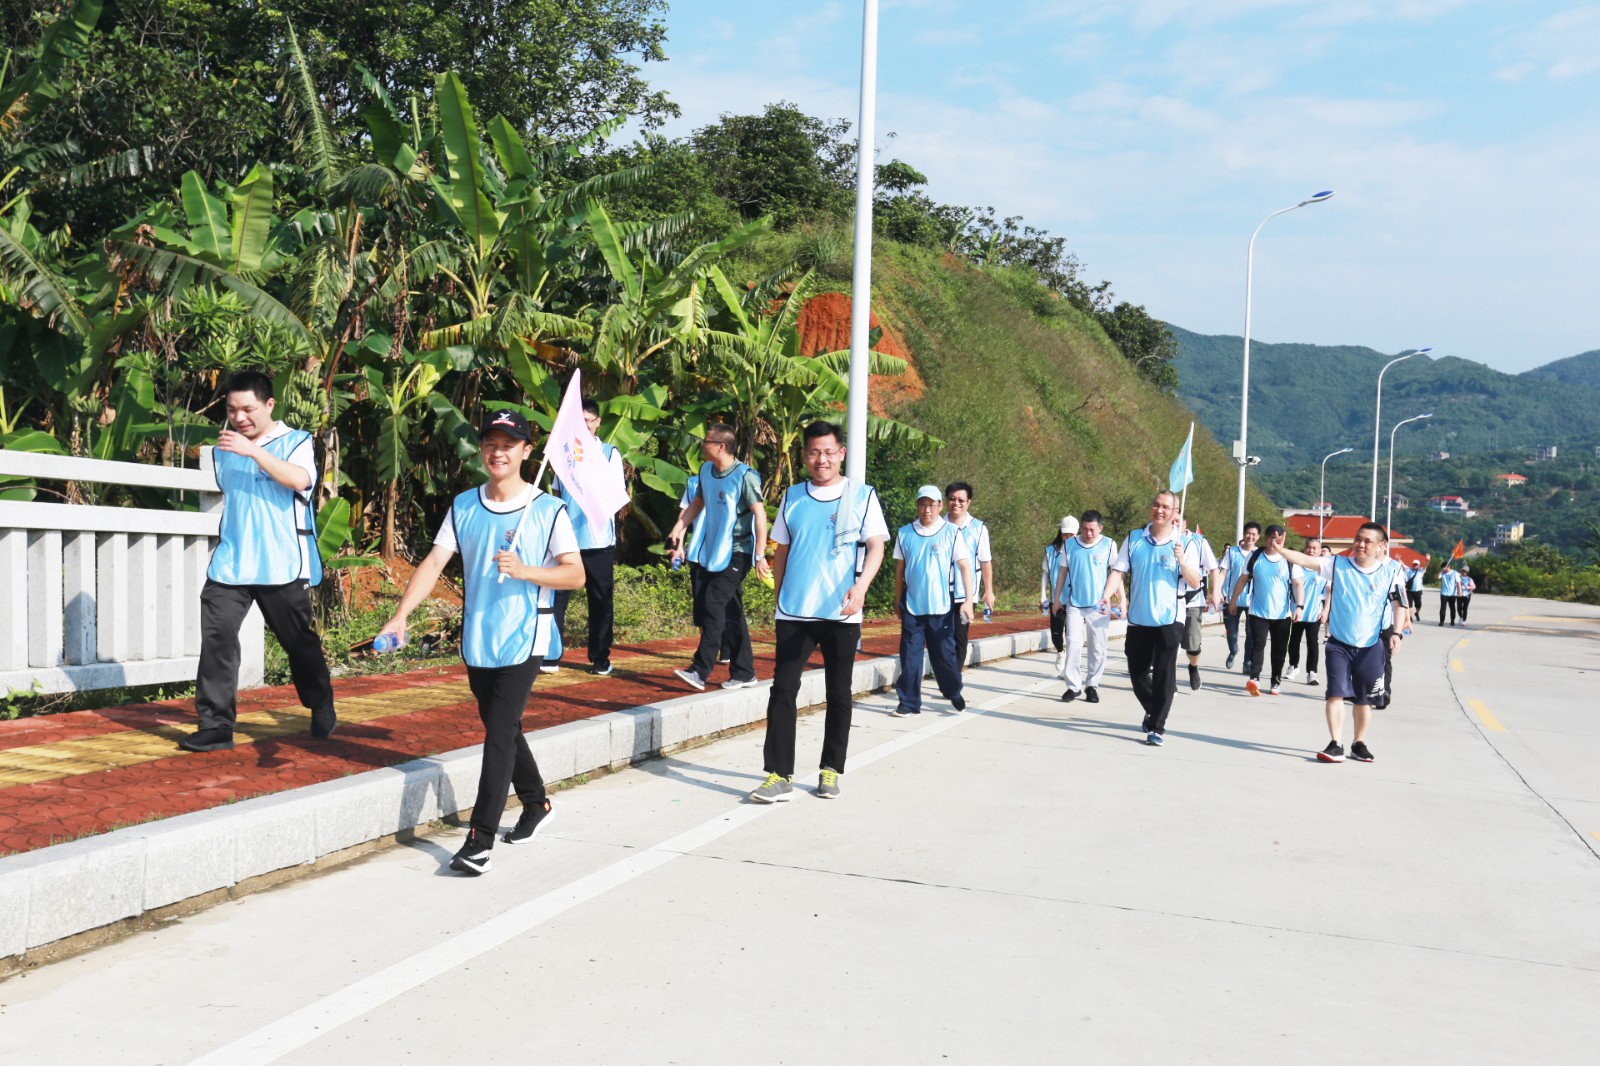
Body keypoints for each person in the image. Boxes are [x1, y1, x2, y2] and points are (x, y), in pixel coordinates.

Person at [377, 410, 584, 874]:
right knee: (503, 727)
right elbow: (433, 563)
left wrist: (527, 569)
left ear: (526, 452)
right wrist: (400, 617)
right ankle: (536, 804)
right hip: (478, 638)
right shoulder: (464, 505)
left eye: (509, 444)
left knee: (496, 733)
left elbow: (575, 574)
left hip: (525, 636)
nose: (498, 452)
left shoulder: (548, 510)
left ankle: (480, 838)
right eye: (491, 442)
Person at [180, 370, 336, 753]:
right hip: (232, 562)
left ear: (269, 405)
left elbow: (301, 481)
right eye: (232, 410)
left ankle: (319, 700)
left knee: (297, 643)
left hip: (281, 562)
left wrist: (253, 451)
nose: (239, 417)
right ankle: (215, 725)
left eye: (248, 409)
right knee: (217, 638)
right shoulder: (222, 450)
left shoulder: (297, 442)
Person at [750, 421, 888, 803]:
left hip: (841, 613)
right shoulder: (794, 496)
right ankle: (778, 773)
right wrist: (778, 598)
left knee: (838, 692)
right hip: (795, 611)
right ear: (805, 455)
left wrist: (861, 588)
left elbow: (876, 546)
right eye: (813, 452)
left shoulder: (861, 496)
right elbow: (782, 551)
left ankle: (830, 770)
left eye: (828, 452)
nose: (821, 459)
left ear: (841, 453)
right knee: (782, 690)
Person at [1273, 523, 1409, 763]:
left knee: (1363, 699)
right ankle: (1336, 744)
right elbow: (1306, 561)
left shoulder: (1392, 572)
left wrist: (1397, 633)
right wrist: (1282, 551)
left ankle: (1359, 743)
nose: (1361, 544)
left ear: (1380, 546)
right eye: (1358, 539)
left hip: (1370, 645)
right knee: (1335, 694)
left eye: (1367, 541)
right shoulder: (1338, 564)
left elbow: (1400, 605)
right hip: (1339, 644)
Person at [667, 423, 770, 691]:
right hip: (711, 551)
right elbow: (697, 503)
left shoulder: (745, 476)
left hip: (738, 552)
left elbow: (760, 514)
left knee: (713, 604)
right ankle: (745, 672)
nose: (702, 444)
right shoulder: (705, 471)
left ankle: (699, 670)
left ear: (721, 446)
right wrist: (678, 528)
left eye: (707, 441)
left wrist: (760, 555)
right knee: (730, 611)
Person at [1101, 491, 1202, 746]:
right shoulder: (1135, 538)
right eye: (1156, 505)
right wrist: (1106, 595)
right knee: (1137, 672)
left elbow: (1195, 581)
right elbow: (1118, 571)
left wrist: (1181, 561)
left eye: (1166, 507)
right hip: (1139, 618)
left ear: (1175, 513)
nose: (1160, 510)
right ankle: (1154, 708)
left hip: (1170, 618)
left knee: (1164, 675)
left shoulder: (1185, 544)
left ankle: (1157, 726)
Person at [549, 398, 627, 676]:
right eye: (576, 423)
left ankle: (600, 657)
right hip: (567, 541)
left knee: (600, 599)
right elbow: (558, 494)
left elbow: (617, 496)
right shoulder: (563, 454)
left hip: (598, 540)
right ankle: (551, 654)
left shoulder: (609, 454)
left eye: (586, 422)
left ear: (597, 423)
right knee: (556, 597)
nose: (581, 427)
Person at [891, 485, 974, 717]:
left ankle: (953, 691)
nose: (927, 509)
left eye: (932, 504)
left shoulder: (951, 532)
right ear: (917, 506)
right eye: (922, 504)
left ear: (939, 506)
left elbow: (965, 566)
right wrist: (898, 600)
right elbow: (899, 570)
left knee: (945, 656)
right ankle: (908, 702)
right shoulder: (905, 533)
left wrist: (968, 600)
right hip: (912, 606)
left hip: (941, 606)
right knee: (910, 655)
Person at [1050, 510, 1117, 704]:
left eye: (1092, 530)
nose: (1088, 534)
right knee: (1073, 641)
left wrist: (1121, 599)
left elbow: (1117, 573)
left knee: (1098, 647)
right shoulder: (1070, 545)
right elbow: (1062, 572)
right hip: (1075, 603)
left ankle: (1092, 685)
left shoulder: (1109, 544)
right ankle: (1073, 686)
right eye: (1085, 529)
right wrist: (1056, 599)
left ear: (1100, 528)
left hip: (1099, 605)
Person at [1229, 524, 1300, 696]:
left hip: (1282, 614)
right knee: (1257, 645)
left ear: (1283, 538)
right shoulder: (1255, 556)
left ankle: (1275, 681)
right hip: (1258, 611)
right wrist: (1233, 600)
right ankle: (1255, 678)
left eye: (1277, 538)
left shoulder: (1289, 559)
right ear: (1265, 538)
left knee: (1279, 649)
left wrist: (1300, 606)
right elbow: (1243, 579)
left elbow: (1298, 584)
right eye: (1270, 537)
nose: (1273, 541)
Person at [945, 482, 995, 673]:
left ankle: (953, 677)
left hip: (966, 594)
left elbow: (985, 561)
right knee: (942, 636)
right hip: (940, 592)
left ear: (968, 503)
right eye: (952, 499)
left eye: (961, 500)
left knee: (960, 635)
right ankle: (946, 673)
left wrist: (988, 591)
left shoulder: (978, 528)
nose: (956, 503)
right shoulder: (939, 525)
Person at [1178, 523, 1221, 693]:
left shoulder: (1198, 541)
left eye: (1177, 521)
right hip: (1169, 599)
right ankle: (1168, 679)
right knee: (1168, 644)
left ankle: (1193, 666)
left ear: (1184, 523)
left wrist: (1215, 592)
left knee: (1192, 645)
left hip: (1193, 599)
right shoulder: (1163, 540)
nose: (1173, 524)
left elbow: (1213, 568)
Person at [1219, 523, 1261, 673]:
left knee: (1251, 633)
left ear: (1258, 537)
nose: (1250, 537)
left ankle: (1247, 662)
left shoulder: (1260, 554)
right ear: (1244, 534)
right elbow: (1222, 572)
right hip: (1232, 600)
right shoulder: (1232, 552)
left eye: (1253, 534)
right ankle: (1233, 651)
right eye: (1248, 533)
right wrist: (1217, 591)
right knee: (1232, 631)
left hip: (1252, 601)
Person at [1286, 538, 1328, 685]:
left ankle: (1312, 672)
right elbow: (1296, 584)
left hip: (1314, 613)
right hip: (1297, 611)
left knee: (1312, 642)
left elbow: (1329, 591)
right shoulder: (1298, 566)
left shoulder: (1324, 569)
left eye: (1314, 548)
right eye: (1309, 548)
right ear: (1304, 549)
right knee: (1294, 640)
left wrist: (1326, 611)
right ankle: (1293, 666)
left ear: (1320, 550)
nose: (1311, 550)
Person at [1041, 517, 1077, 673]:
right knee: (1056, 632)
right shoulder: (1051, 551)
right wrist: (1043, 595)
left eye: (1071, 535)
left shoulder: (1081, 550)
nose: (1068, 538)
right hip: (1057, 599)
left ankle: (1069, 664)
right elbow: (1045, 574)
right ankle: (1060, 651)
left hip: (1075, 600)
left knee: (1071, 633)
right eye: (1065, 534)